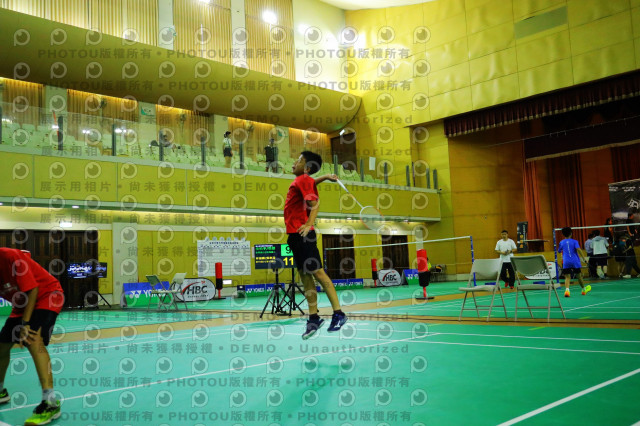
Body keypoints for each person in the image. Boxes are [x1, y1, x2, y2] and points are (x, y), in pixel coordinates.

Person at [284, 151, 347, 339]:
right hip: (295, 235)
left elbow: (315, 204)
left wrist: (309, 224)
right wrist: (325, 177)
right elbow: (310, 183)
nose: (294, 162)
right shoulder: (304, 180)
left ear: (307, 167)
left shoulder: (303, 179)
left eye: (299, 160)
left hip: (302, 234)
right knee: (305, 275)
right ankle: (313, 318)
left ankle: (338, 313)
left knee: (318, 273)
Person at [0, 248, 64, 425]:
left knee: (33, 339)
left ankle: (50, 403)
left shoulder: (10, 256)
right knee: (1, 346)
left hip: (47, 295)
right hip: (21, 304)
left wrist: (25, 324)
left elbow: (33, 289)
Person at [557, 227, 591, 297]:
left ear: (563, 234)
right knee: (579, 276)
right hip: (575, 261)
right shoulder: (575, 241)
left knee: (567, 277)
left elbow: (559, 251)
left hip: (566, 261)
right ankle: (583, 289)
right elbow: (578, 249)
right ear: (571, 233)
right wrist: (584, 258)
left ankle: (567, 291)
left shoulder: (561, 242)